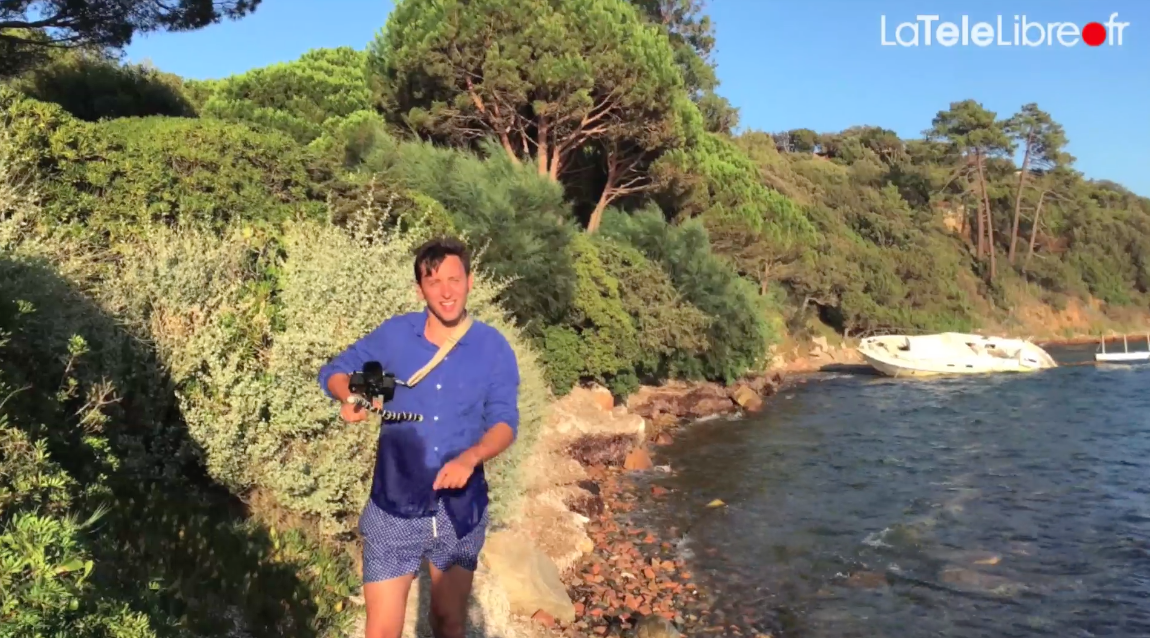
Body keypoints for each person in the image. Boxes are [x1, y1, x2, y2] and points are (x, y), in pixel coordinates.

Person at [317, 237, 520, 638]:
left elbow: (504, 423)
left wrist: (470, 458)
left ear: (470, 281)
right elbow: (337, 371)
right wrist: (352, 395)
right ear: (419, 289)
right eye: (433, 282)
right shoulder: (397, 338)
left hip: (459, 510)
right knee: (382, 631)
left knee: (448, 623)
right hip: (394, 503)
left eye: (454, 279)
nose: (446, 291)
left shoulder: (492, 348)